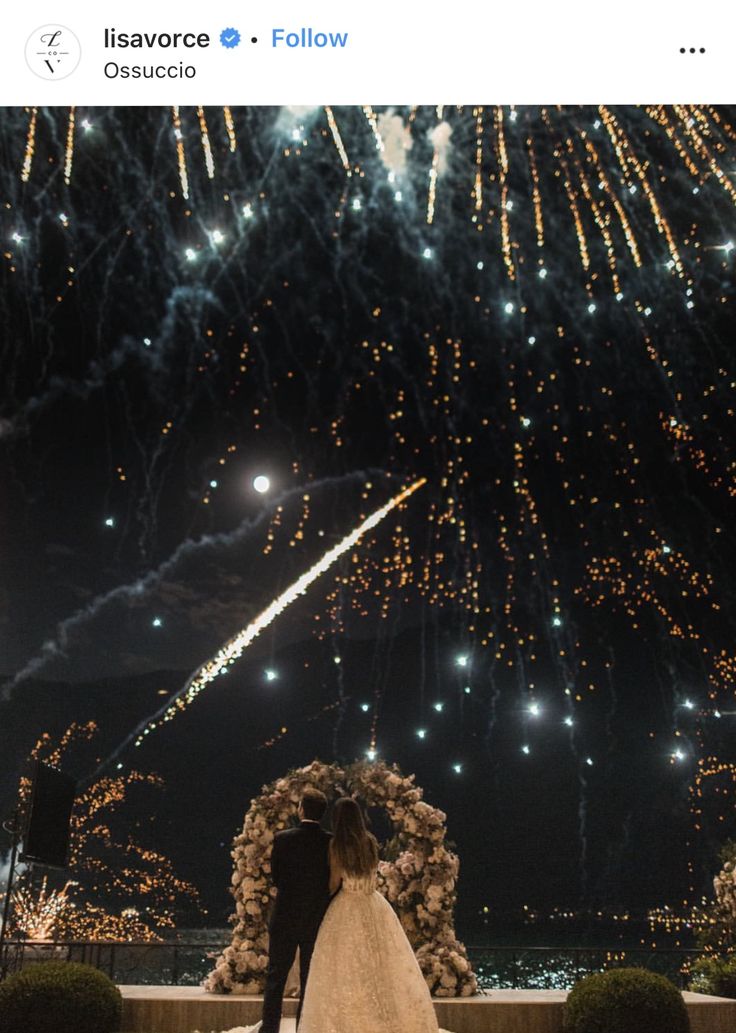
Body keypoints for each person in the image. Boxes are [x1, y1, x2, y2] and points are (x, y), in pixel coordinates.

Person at [297, 796, 449, 1033]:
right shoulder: (370, 842)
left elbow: (333, 882)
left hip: (345, 906)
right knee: (381, 964)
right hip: (373, 904)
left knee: (344, 968)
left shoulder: (336, 845)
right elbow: (373, 872)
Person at [259, 787, 332, 1033]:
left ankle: (270, 1029)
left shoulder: (283, 838)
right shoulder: (329, 842)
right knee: (309, 979)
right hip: (315, 918)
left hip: (285, 917)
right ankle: (304, 1028)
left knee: (276, 977)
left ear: (301, 808)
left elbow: (277, 878)